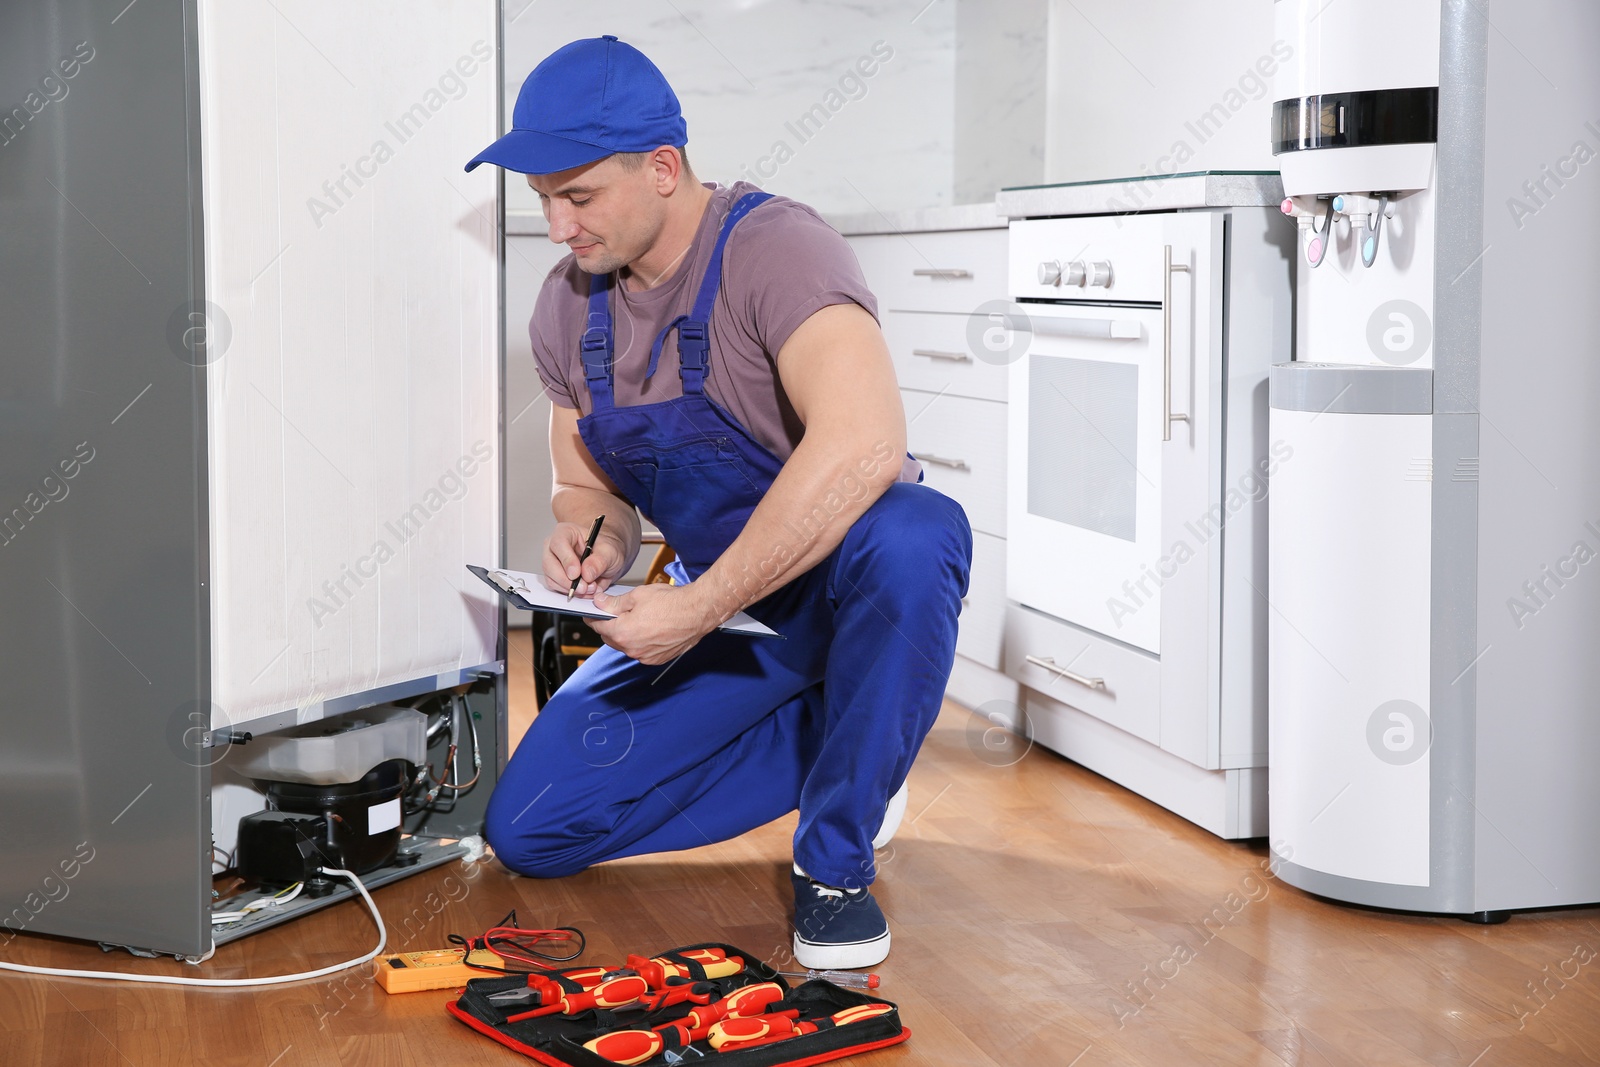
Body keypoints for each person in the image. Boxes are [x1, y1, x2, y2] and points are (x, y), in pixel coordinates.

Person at [469, 35, 971, 970]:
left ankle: (835, 855)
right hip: (728, 613)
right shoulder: (566, 308)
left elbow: (867, 441)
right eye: (542, 200)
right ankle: (858, 744)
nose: (558, 226)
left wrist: (696, 610)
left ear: (662, 169)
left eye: (576, 196)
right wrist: (595, 540)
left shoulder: (776, 250)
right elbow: (589, 486)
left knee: (918, 533)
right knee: (531, 828)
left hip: (839, 588)